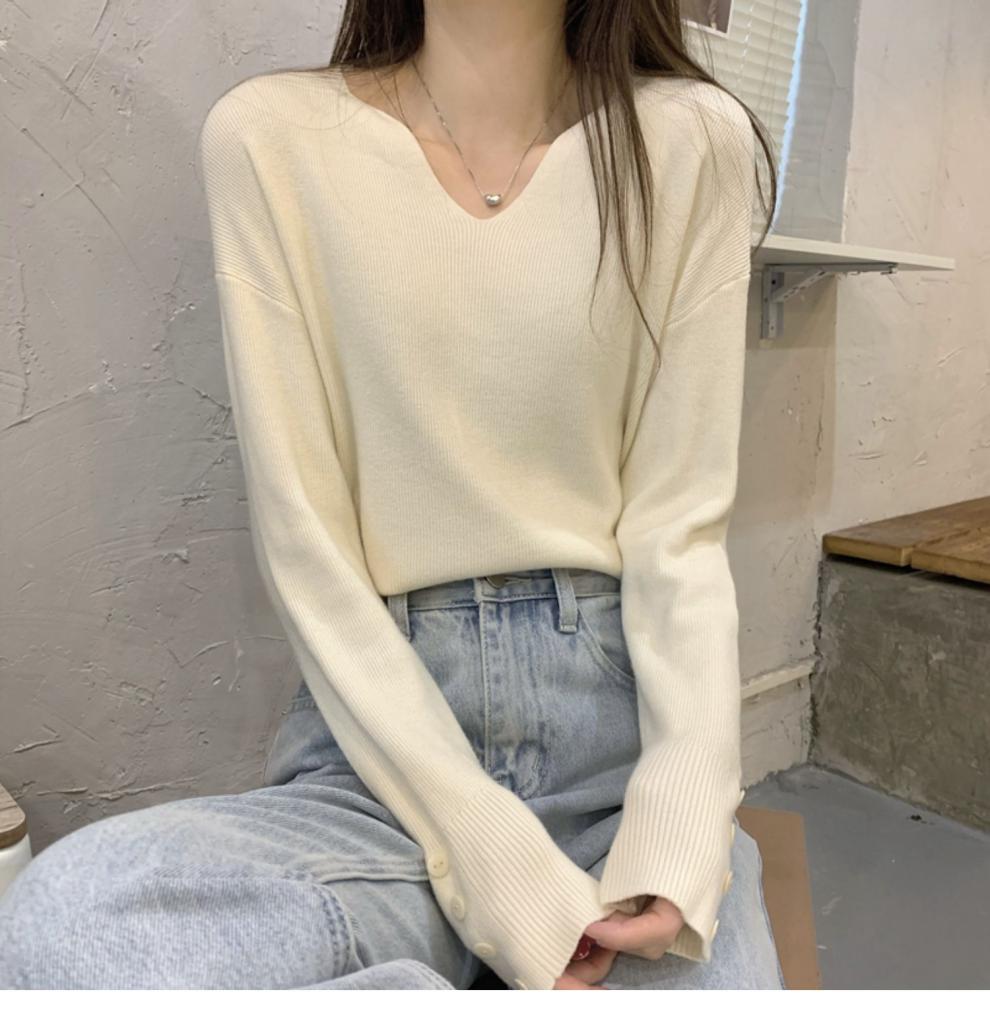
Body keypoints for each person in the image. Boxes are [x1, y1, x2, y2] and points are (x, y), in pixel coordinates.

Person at [0, 0, 786, 990]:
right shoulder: (271, 140)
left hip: (615, 768)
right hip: (381, 779)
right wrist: (495, 868)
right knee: (65, 926)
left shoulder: (690, 140)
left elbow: (681, 536)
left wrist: (677, 829)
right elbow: (310, 556)